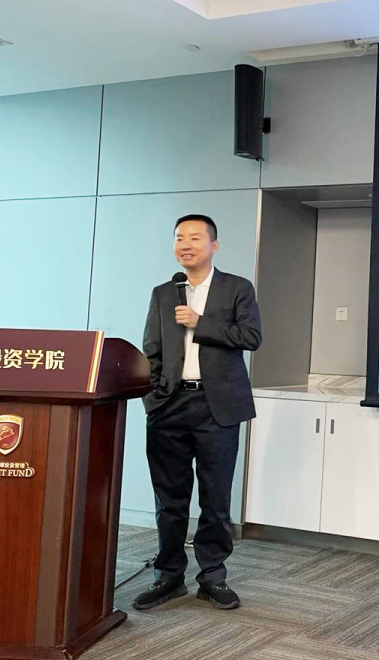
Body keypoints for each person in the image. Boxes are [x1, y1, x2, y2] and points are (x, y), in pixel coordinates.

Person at [132, 214, 262, 611]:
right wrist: (154, 398)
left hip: (216, 406)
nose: (185, 245)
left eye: (194, 238)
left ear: (213, 245)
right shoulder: (163, 293)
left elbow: (251, 336)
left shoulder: (237, 288)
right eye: (179, 238)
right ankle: (169, 576)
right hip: (169, 406)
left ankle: (213, 577)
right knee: (169, 499)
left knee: (215, 498)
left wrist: (200, 323)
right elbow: (152, 349)